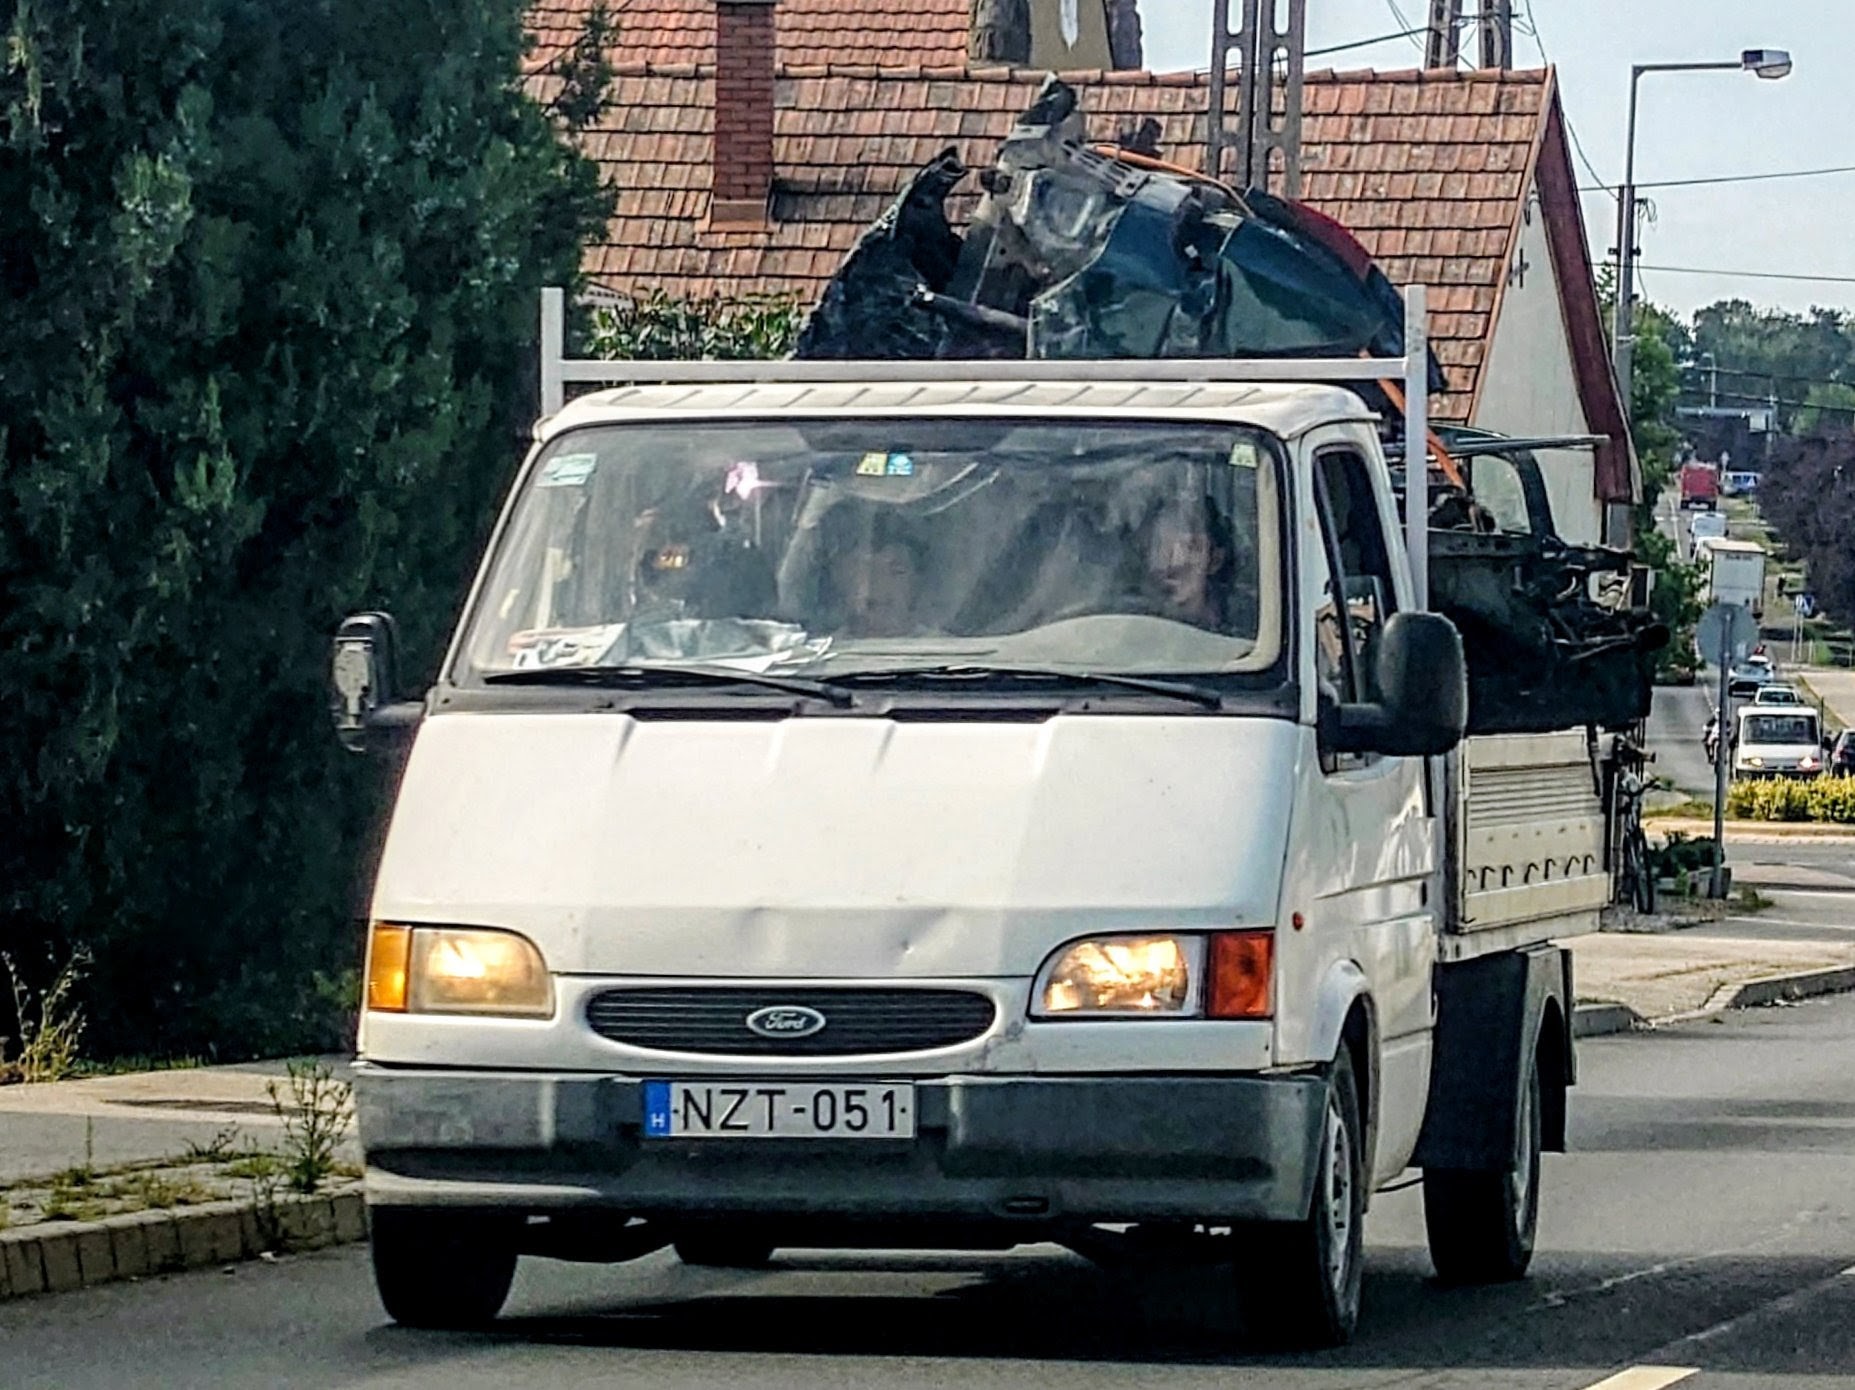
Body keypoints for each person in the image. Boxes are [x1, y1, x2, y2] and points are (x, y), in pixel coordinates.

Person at [1144, 495, 1236, 631]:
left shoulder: (1246, 638)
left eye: (1189, 547)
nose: (1173, 562)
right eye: (1160, 546)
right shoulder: (1135, 628)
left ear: (1215, 560)